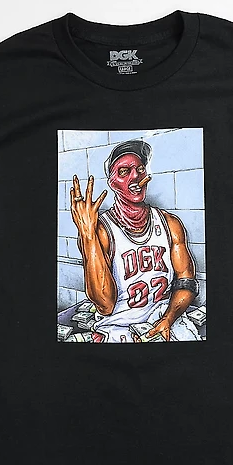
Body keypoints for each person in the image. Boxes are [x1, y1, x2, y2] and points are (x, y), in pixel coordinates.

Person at [70, 139, 201, 342]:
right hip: (117, 329)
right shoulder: (100, 232)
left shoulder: (170, 224)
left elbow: (187, 281)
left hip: (162, 320)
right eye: (124, 172)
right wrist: (87, 234)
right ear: (112, 183)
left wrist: (168, 319)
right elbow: (105, 305)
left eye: (140, 169)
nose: (135, 176)